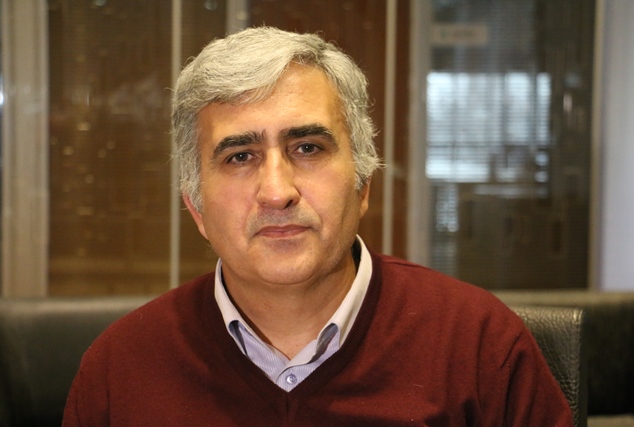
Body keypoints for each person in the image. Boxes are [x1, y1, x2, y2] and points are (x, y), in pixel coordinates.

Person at [63, 27, 572, 426]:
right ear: (196, 208)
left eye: (307, 148)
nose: (276, 191)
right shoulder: (117, 371)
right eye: (239, 156)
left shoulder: (481, 347)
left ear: (363, 184)